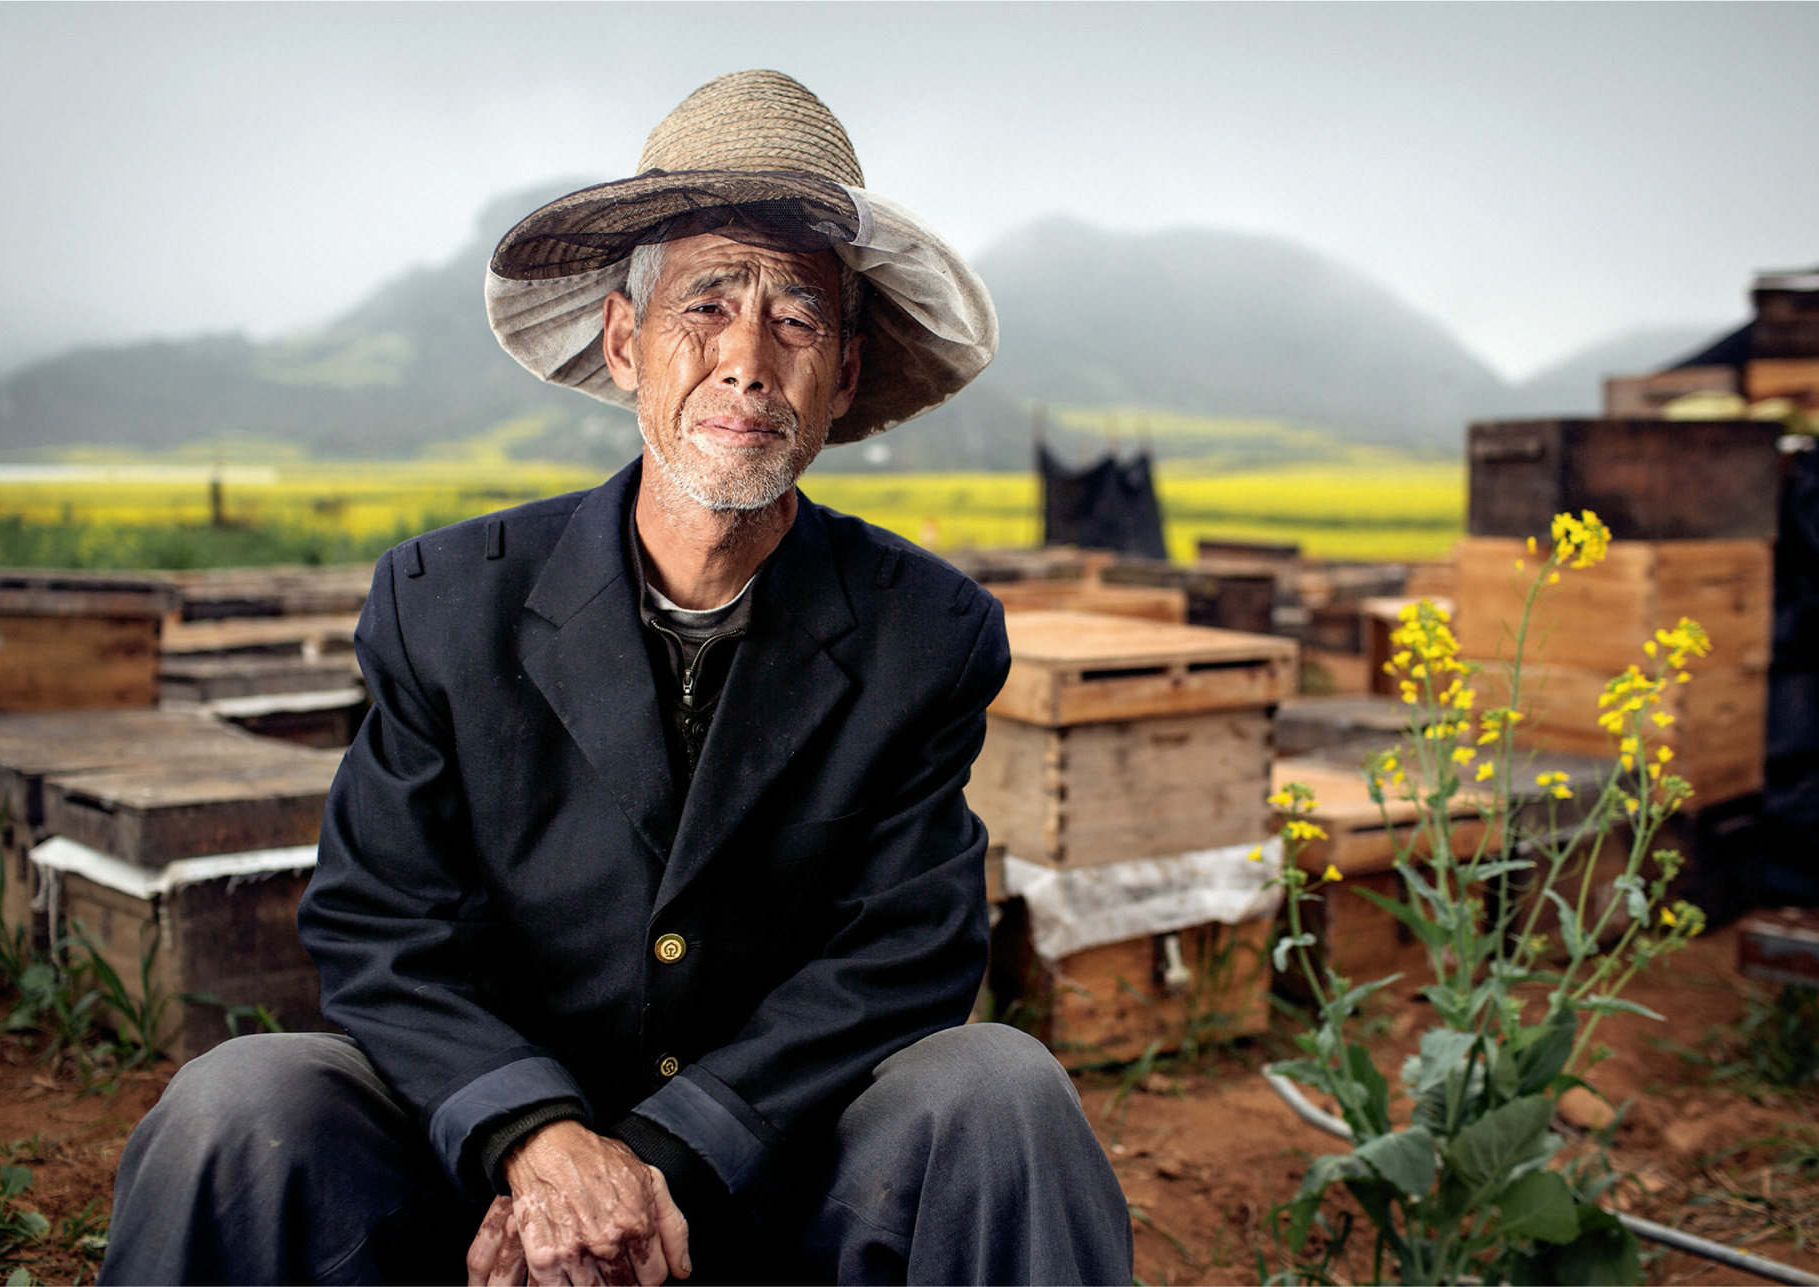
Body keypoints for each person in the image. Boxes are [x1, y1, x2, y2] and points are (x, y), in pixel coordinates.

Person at [99, 70, 1133, 1286]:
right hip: (482, 1184)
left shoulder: (929, 632)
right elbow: (383, 924)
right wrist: (533, 1141)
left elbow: (904, 950)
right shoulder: (446, 603)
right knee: (240, 1103)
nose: (747, 361)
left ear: (842, 378)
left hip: (766, 1182)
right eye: (705, 304)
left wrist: (662, 1162)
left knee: (1002, 1089)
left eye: (797, 318)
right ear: (625, 339)